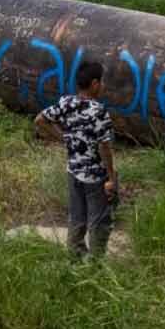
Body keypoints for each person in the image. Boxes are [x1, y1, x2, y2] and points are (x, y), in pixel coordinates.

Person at [34, 61, 118, 259]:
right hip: (95, 176)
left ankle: (75, 259)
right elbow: (105, 147)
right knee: (99, 222)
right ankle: (96, 265)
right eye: (102, 82)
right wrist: (111, 177)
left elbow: (39, 120)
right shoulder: (98, 111)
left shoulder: (66, 103)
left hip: (73, 171)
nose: (104, 86)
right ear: (95, 84)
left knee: (77, 218)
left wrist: (63, 138)